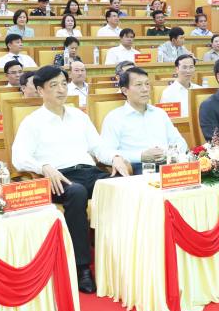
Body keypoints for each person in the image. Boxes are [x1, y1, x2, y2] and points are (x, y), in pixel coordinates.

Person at [11, 65, 130, 293]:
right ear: (40, 90)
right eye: (54, 85)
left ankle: (123, 257)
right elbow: (19, 159)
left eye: (64, 84)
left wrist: (115, 157)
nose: (61, 90)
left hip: (89, 172)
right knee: (76, 192)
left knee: (123, 185)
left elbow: (98, 147)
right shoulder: (32, 122)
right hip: (60, 178)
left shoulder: (79, 116)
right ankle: (82, 268)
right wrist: (43, 166)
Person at [100, 67, 188, 175]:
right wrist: (140, 156)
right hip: (138, 168)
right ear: (125, 90)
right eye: (138, 85)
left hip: (168, 163)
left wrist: (168, 153)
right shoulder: (114, 117)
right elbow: (106, 152)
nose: (145, 89)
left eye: (147, 84)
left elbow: (181, 142)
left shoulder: (160, 113)